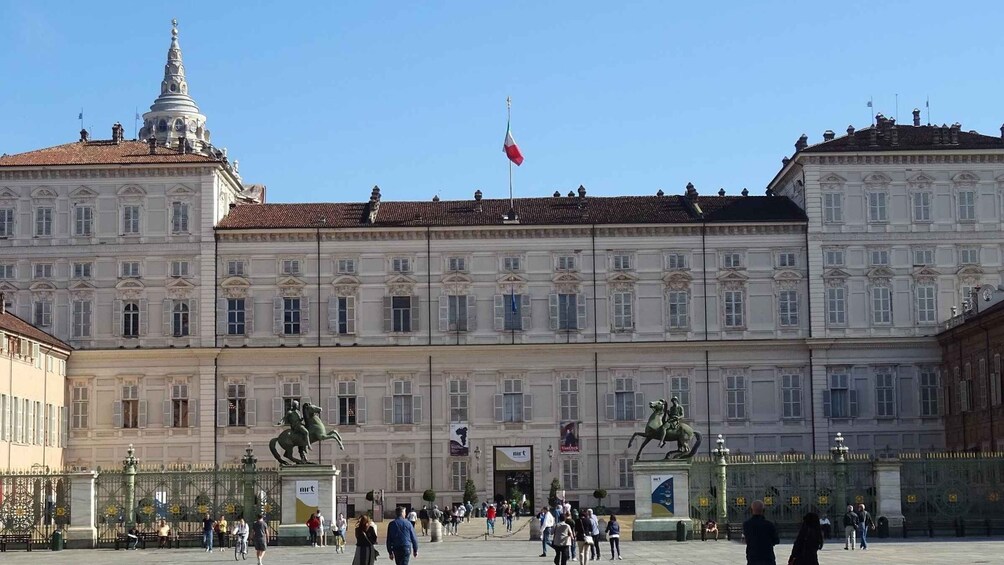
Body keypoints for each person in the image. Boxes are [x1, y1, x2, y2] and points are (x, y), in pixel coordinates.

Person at [742, 500, 779, 565]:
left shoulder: (746, 524)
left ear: (751, 510)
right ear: (763, 510)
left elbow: (746, 540)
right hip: (767, 557)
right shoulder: (769, 524)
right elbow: (776, 540)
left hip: (753, 557)